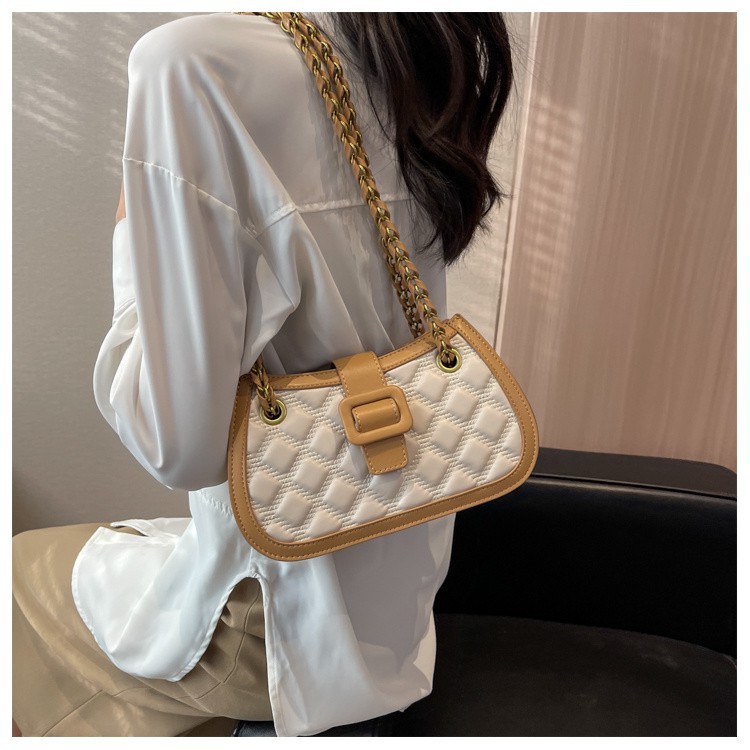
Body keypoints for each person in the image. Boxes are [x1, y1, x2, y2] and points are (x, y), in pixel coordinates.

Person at [12, 11, 514, 737]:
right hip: (401, 609)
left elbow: (176, 449)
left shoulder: (193, 65)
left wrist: (131, 240)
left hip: (281, 628)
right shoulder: (415, 46)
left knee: (20, 573)